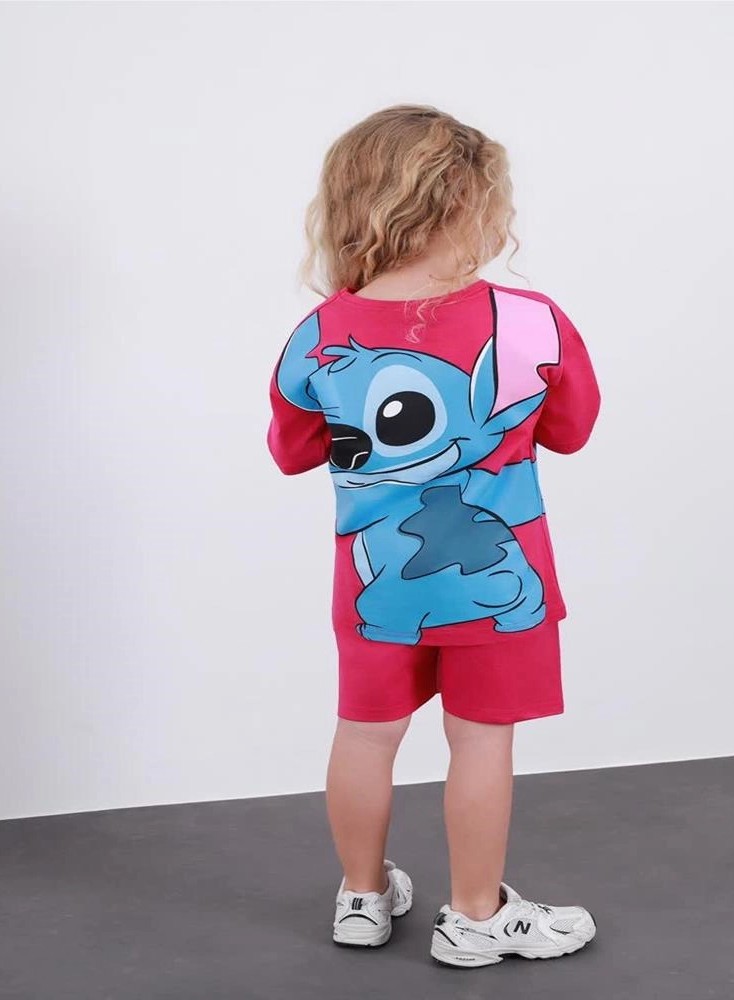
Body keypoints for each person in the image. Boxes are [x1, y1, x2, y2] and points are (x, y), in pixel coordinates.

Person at [266, 104, 602, 969]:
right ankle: (475, 917)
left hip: (376, 589)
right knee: (481, 739)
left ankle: (361, 897)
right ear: (472, 204)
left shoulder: (319, 337)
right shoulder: (531, 322)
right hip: (501, 580)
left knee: (364, 733)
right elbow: (572, 431)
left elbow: (291, 452)